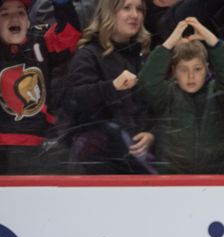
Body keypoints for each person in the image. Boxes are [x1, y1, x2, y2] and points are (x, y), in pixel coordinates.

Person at [0, 0, 81, 174]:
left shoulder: (40, 42)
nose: (14, 18)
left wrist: (62, 3)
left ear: (28, 21)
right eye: (4, 14)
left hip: (37, 148)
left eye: (21, 13)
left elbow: (69, 35)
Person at [60, 0, 155, 174]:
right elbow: (72, 100)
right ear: (109, 13)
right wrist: (113, 86)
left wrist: (150, 134)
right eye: (126, 8)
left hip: (133, 161)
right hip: (96, 164)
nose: (135, 15)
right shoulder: (88, 54)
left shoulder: (142, 57)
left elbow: (151, 107)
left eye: (139, 9)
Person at [138, 16, 224, 174]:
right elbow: (147, 81)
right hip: (172, 176)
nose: (191, 77)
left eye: (197, 69)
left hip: (215, 176)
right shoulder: (166, 94)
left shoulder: (217, 93)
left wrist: (212, 41)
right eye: (183, 70)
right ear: (174, 70)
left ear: (207, 68)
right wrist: (170, 43)